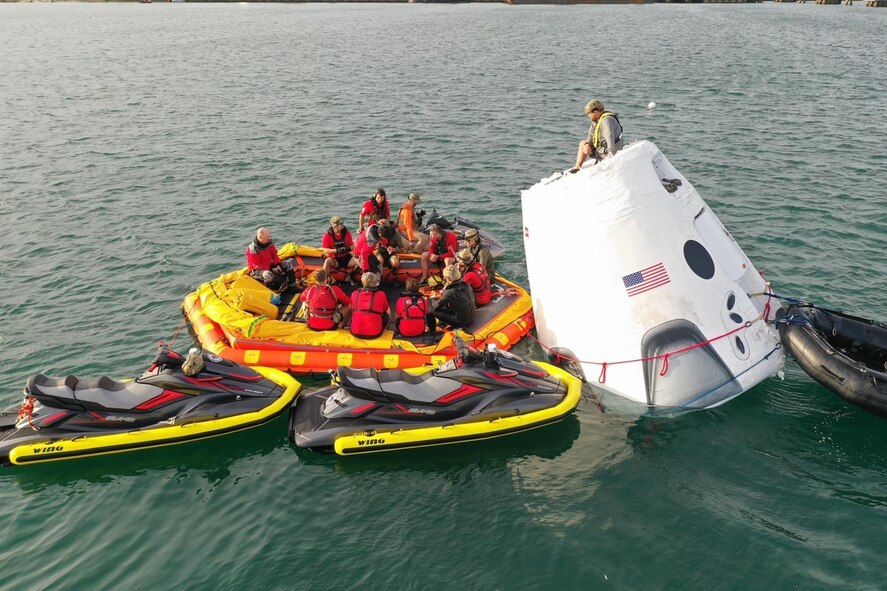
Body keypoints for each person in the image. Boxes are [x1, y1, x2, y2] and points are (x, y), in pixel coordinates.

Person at [570, 99, 624, 173]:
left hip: (608, 151)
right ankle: (576, 168)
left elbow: (610, 138)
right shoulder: (596, 120)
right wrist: (587, 144)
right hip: (601, 149)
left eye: (589, 114)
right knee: (583, 143)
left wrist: (609, 157)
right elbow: (591, 134)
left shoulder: (606, 121)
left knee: (608, 152)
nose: (588, 116)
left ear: (595, 112)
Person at [427, 264, 475, 332]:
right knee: (445, 303)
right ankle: (444, 322)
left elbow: (435, 307)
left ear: (448, 278)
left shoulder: (450, 292)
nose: (444, 279)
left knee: (430, 309)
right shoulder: (466, 285)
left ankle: (432, 331)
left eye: (445, 277)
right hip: (471, 317)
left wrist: (432, 298)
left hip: (462, 322)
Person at [349, 272, 390, 340]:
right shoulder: (381, 294)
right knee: (388, 310)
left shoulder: (354, 293)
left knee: (352, 308)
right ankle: (387, 331)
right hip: (374, 333)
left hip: (355, 331)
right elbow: (385, 309)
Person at [321, 216, 360, 281]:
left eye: (342, 224)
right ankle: (325, 279)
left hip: (347, 258)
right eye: (340, 224)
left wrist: (346, 249)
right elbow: (325, 250)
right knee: (327, 261)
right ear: (334, 226)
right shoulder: (327, 235)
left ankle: (351, 276)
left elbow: (351, 246)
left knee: (360, 260)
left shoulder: (346, 233)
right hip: (335, 259)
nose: (342, 226)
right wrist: (337, 250)